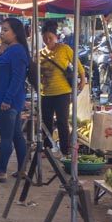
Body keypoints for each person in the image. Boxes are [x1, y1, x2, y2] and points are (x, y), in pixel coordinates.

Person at [0, 17, 30, 182]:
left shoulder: (18, 51)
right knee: (17, 135)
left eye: (6, 30)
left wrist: (7, 99)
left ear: (16, 32)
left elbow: (18, 78)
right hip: (7, 99)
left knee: (6, 137)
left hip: (9, 101)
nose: (2, 33)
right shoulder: (10, 49)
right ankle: (22, 170)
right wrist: (1, 51)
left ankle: (1, 172)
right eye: (2, 29)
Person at [39, 20, 86, 155]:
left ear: (56, 37)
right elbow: (36, 73)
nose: (48, 40)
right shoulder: (40, 54)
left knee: (62, 122)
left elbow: (78, 65)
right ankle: (47, 148)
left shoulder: (64, 49)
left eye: (50, 37)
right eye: (45, 38)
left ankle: (65, 150)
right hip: (45, 93)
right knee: (46, 122)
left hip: (63, 92)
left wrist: (82, 80)